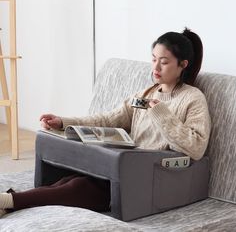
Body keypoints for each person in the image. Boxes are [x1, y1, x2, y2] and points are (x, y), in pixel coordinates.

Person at [0, 28, 211, 217]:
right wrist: (63, 122)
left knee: (79, 188)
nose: (156, 66)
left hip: (153, 177)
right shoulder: (146, 94)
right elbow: (108, 119)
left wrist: (161, 113)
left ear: (183, 65)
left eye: (164, 62)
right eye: (153, 58)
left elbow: (196, 147)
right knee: (70, 182)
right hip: (127, 170)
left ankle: (8, 201)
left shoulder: (193, 98)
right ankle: (8, 202)